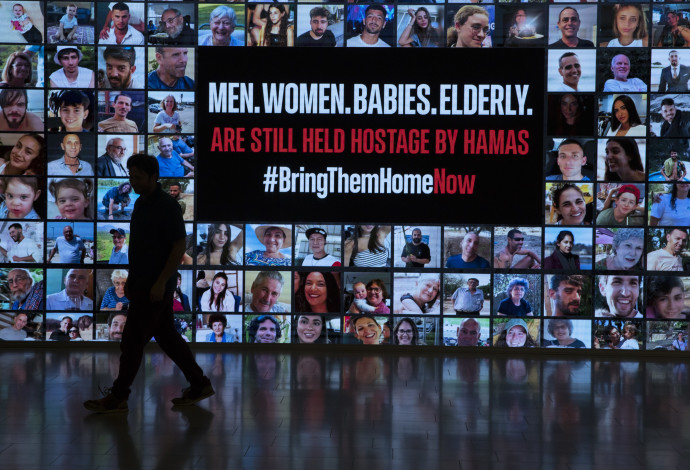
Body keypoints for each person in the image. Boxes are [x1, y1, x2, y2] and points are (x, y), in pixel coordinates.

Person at [84, 153, 214, 413]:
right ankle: (200, 384)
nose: (133, 182)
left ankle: (119, 396)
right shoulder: (140, 203)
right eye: (131, 176)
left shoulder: (167, 206)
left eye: (138, 177)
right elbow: (140, 247)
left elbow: (178, 247)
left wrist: (161, 283)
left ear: (154, 177)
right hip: (142, 282)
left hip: (155, 286)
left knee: (131, 341)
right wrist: (131, 277)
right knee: (166, 336)